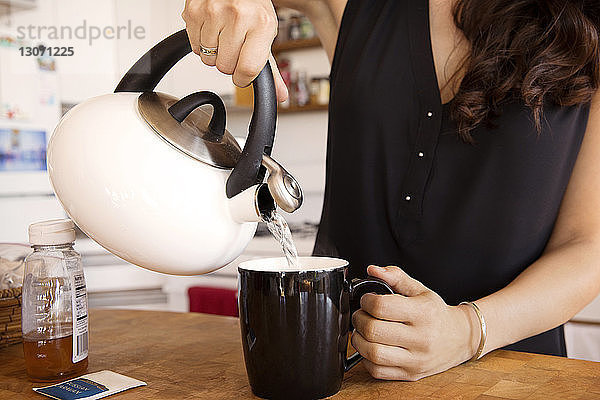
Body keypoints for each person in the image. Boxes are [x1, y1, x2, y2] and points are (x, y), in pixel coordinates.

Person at [182, 0, 600, 380]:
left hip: (513, 375)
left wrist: (468, 330)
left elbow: (588, 244)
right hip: (344, 372)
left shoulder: (589, 27)